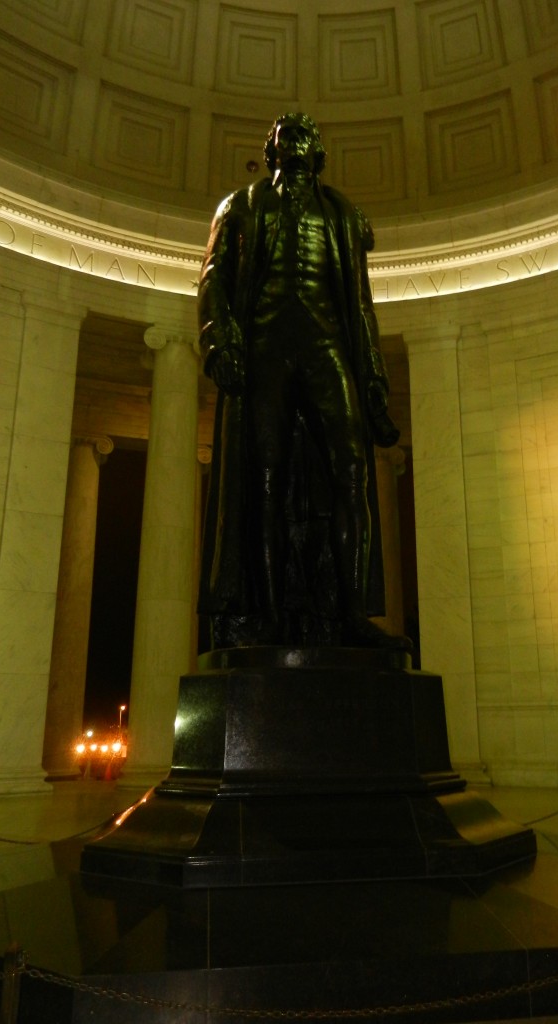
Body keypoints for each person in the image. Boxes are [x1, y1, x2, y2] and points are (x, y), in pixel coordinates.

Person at [197, 112, 404, 649]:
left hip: (326, 345)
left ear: (317, 156)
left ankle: (352, 613)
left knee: (352, 469)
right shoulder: (239, 208)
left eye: (301, 139)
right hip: (265, 346)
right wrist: (219, 338)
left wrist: (375, 379)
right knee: (264, 480)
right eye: (280, 140)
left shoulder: (342, 216)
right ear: (270, 157)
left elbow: (360, 303)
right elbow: (213, 279)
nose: (290, 146)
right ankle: (265, 612)